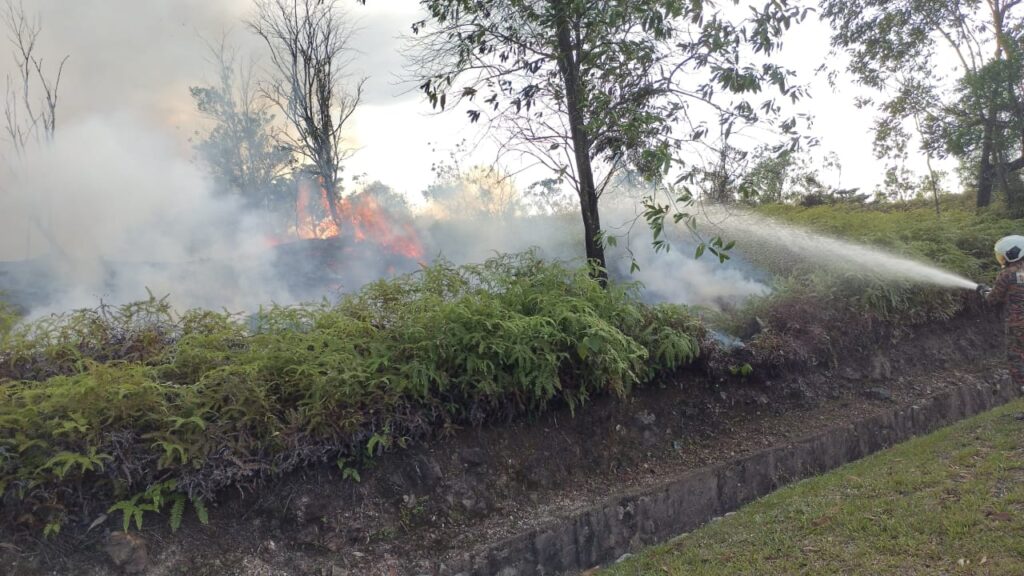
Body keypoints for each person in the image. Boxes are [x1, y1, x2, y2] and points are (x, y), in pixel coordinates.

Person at [977, 235, 1024, 388]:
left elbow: (993, 299)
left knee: (1017, 359)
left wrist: (983, 290)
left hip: (1018, 325)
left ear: (1011, 253)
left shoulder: (1007, 274)